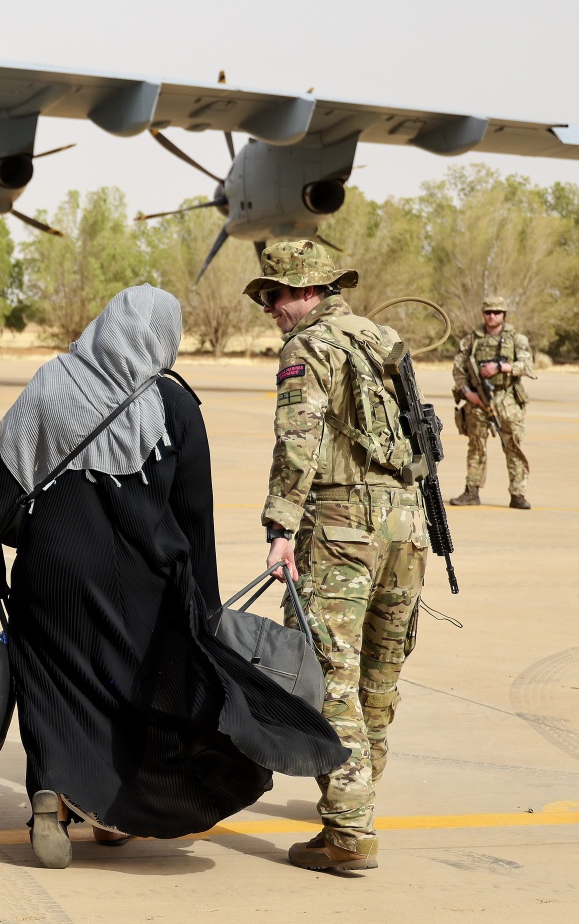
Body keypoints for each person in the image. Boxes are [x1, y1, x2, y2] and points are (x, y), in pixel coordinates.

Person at [0, 286, 344, 869]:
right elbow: (194, 515)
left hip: (51, 565)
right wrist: (204, 609)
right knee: (129, 690)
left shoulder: (52, 382)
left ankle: (49, 800)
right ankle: (113, 812)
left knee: (53, 682)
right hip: (140, 578)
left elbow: (6, 481)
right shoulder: (173, 403)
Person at [251, 239, 427, 875]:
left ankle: (349, 832)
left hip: (342, 525)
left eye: (274, 295)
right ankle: (362, 788)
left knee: (329, 674)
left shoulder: (308, 347)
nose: (270, 308)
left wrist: (280, 527)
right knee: (383, 666)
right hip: (406, 524)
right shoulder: (381, 337)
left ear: (305, 292)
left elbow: (296, 444)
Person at [448, 295, 534, 509]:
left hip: (507, 399)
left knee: (512, 446)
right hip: (477, 401)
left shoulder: (516, 339)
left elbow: (527, 366)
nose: (492, 316)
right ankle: (472, 491)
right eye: (488, 312)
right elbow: (458, 371)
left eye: (497, 312)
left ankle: (518, 494)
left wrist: (500, 367)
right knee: (476, 447)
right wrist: (470, 394)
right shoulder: (471, 340)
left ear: (504, 314)